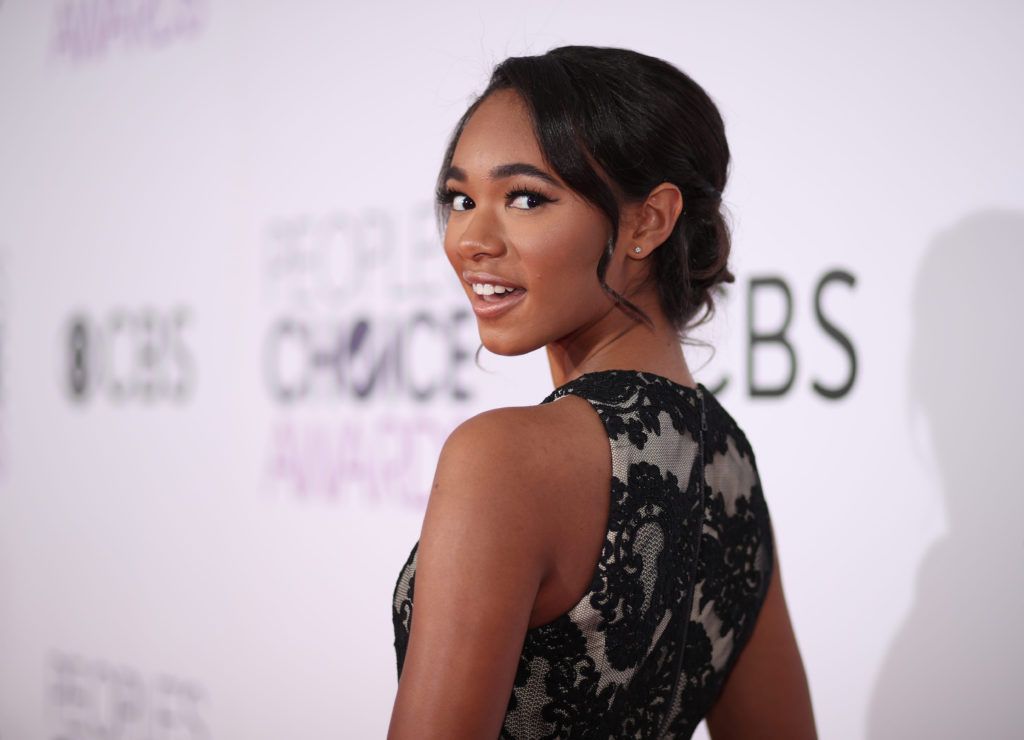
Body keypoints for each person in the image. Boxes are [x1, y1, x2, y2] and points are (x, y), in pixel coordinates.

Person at [388, 45, 816, 739]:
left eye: (526, 198)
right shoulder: (727, 460)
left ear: (649, 222)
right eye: (460, 199)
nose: (470, 238)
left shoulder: (503, 459)